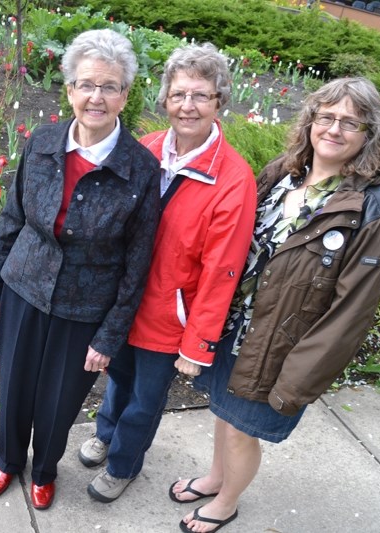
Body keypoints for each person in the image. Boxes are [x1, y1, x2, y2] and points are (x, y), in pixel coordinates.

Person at [175, 77, 380, 533]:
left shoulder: (371, 209)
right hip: (234, 326)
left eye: (350, 122)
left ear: (368, 134)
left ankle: (227, 502)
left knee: (241, 428)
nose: (334, 129)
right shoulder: (283, 172)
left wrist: (297, 379)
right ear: (311, 121)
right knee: (223, 410)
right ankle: (216, 478)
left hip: (280, 345)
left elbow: (350, 314)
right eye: (327, 117)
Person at [0, 28, 160, 511]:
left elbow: (137, 264)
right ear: (69, 90)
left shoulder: (141, 170)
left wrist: (110, 336)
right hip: (24, 287)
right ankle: (8, 460)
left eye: (109, 86)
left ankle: (43, 471)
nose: (95, 97)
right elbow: (13, 217)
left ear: (125, 95)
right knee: (15, 385)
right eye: (86, 84)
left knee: (59, 402)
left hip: (86, 306)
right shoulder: (41, 142)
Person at [78, 43, 257, 504]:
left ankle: (124, 465)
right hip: (125, 304)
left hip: (169, 318)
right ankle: (105, 434)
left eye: (201, 95)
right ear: (165, 99)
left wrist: (198, 344)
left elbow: (223, 271)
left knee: (145, 399)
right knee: (117, 381)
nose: (187, 105)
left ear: (220, 101)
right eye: (178, 94)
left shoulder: (233, 179)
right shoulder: (151, 148)